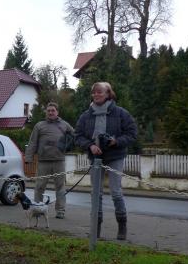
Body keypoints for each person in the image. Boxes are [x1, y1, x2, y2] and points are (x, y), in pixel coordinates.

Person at [74, 81, 138, 240]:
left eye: (99, 92)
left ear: (108, 94)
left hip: (115, 156)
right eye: (94, 92)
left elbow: (132, 133)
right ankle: (95, 229)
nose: (96, 95)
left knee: (116, 192)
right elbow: (78, 136)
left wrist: (116, 141)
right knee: (96, 193)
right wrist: (90, 146)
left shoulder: (121, 113)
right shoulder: (86, 115)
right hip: (95, 158)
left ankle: (122, 227)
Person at [25, 102, 74, 218]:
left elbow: (75, 135)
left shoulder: (65, 125)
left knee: (60, 187)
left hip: (59, 160)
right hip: (43, 161)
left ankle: (60, 211)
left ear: (57, 112)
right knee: (39, 187)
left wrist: (69, 145)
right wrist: (28, 157)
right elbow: (33, 142)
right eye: (49, 111)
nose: (51, 112)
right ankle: (37, 209)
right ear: (46, 112)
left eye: (53, 110)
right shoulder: (39, 125)